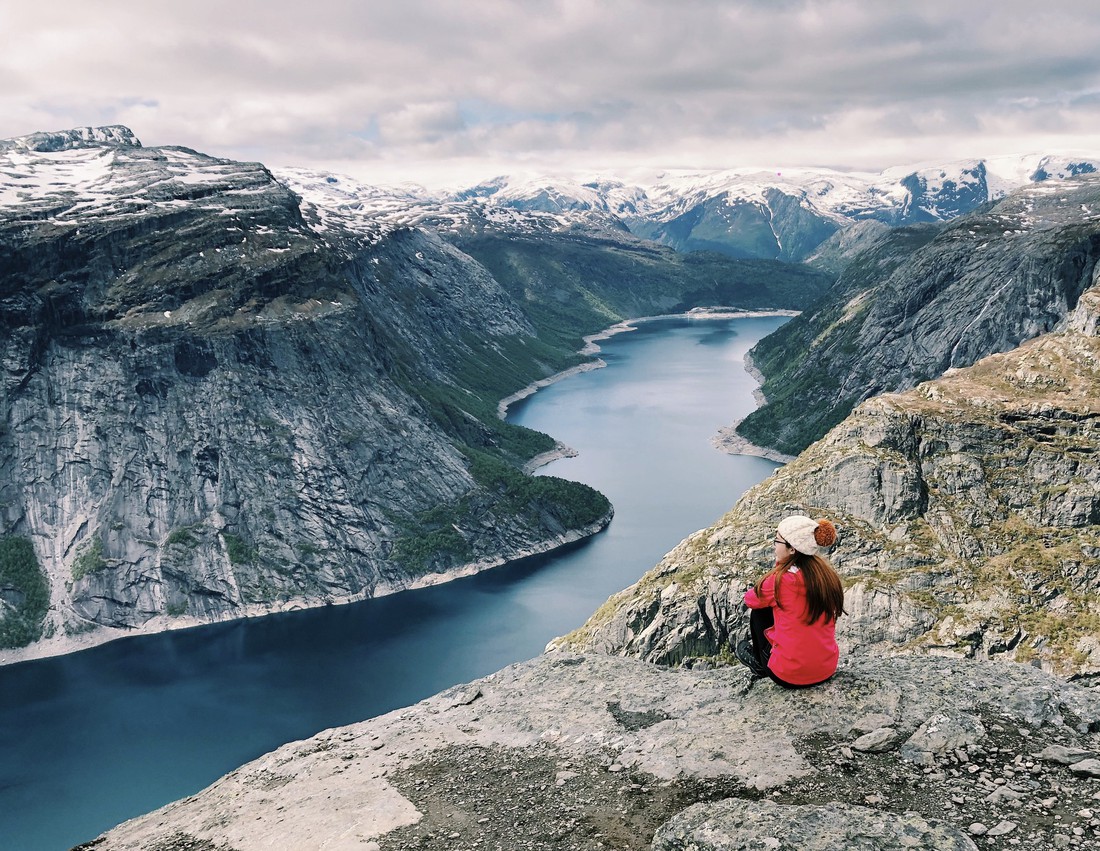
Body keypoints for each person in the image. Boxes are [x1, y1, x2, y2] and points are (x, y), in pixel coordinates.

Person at [734, 515, 845, 687]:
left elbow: (750, 599)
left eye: (777, 541)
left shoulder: (780, 580)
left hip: (789, 676)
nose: (774, 545)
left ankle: (760, 663)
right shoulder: (826, 576)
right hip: (826, 670)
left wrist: (778, 567)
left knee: (760, 611)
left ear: (792, 549)